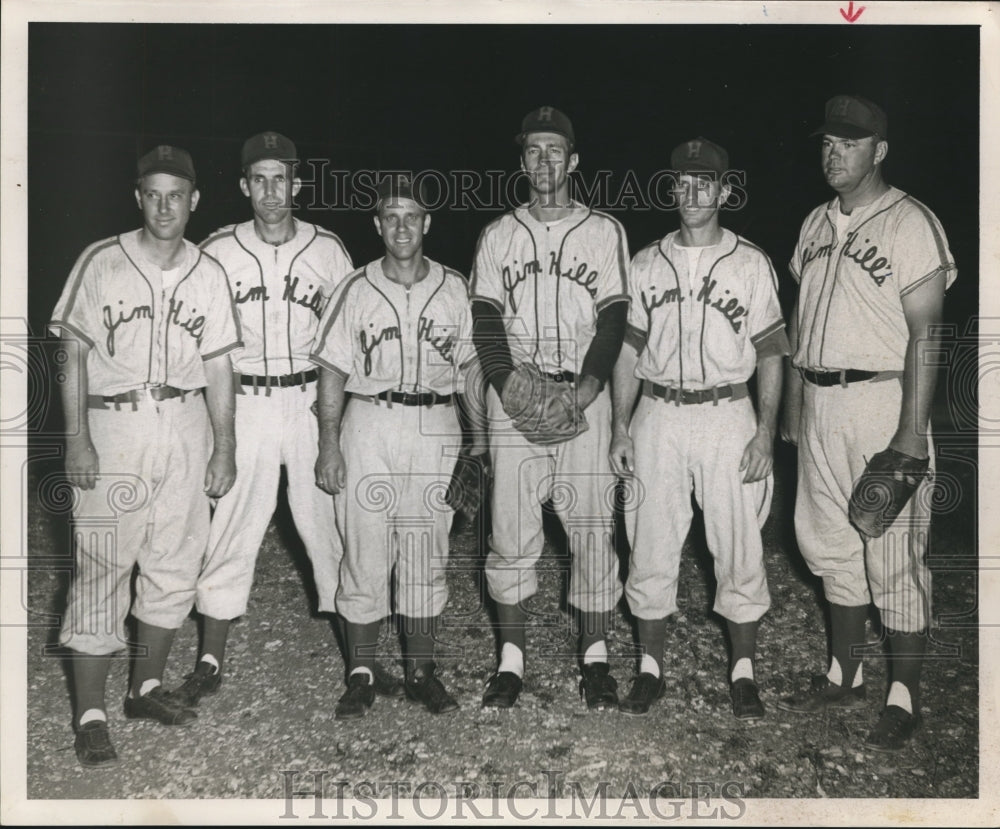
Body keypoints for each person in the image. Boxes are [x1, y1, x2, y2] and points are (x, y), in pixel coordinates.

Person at [172, 132, 403, 707]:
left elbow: (354, 331)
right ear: (244, 185)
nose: (271, 191)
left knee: (329, 526)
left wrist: (342, 420)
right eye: (260, 179)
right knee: (230, 527)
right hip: (243, 400)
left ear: (297, 184)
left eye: (281, 179)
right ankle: (209, 660)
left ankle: (362, 661)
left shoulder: (327, 249)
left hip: (307, 401)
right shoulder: (217, 249)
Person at [50, 145, 241, 767]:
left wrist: (224, 447)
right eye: (153, 195)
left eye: (175, 195)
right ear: (138, 197)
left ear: (194, 200)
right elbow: (71, 353)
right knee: (102, 561)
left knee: (176, 557)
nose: (164, 207)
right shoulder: (101, 260)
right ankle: (90, 713)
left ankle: (145, 687)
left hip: (185, 419)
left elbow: (220, 366)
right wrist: (76, 438)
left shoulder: (209, 272)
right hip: (115, 422)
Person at [778, 95, 955, 751]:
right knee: (828, 541)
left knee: (893, 550)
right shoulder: (813, 223)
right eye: (828, 142)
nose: (834, 154)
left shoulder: (911, 221)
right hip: (819, 399)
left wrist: (911, 431)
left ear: (879, 150)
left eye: (849, 143)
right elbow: (799, 320)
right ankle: (844, 673)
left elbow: (927, 333)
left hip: (882, 401)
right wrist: (794, 405)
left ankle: (903, 697)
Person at [609, 138, 787, 719]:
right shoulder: (644, 262)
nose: (690, 194)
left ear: (725, 191)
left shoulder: (750, 262)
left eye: (703, 184)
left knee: (738, 543)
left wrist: (765, 432)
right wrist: (619, 426)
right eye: (681, 184)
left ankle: (743, 672)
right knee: (649, 538)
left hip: (727, 414)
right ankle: (650, 669)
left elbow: (771, 352)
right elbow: (628, 351)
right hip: (657, 413)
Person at [470, 106, 630, 710]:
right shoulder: (498, 234)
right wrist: (506, 384)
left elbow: (614, 318)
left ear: (574, 160)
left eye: (554, 149)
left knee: (592, 528)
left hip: (581, 395)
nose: (544, 160)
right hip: (515, 392)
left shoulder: (604, 230)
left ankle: (595, 659)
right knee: (510, 529)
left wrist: (587, 389)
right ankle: (511, 661)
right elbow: (485, 317)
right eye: (533, 150)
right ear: (522, 162)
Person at [311, 174, 487, 718]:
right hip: (369, 420)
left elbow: (473, 369)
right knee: (363, 548)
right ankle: (360, 673)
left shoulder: (455, 287)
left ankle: (421, 672)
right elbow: (332, 369)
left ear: (427, 223)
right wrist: (328, 444)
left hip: (437, 424)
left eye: (412, 216)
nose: (402, 227)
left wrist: (479, 443)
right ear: (378, 225)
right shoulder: (355, 287)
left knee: (427, 551)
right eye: (392, 217)